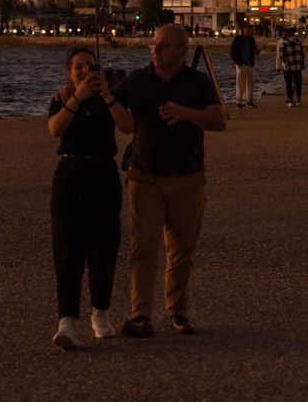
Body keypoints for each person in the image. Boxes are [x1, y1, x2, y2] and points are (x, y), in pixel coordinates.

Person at [113, 24, 226, 338]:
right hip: (144, 176)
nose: (156, 50)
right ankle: (140, 316)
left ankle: (177, 311)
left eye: (164, 46)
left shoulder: (197, 82)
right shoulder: (137, 80)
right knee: (144, 248)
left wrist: (187, 113)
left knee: (180, 252)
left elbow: (218, 121)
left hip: (188, 177)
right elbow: (113, 106)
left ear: (183, 50)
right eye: (154, 44)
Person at [47, 47, 136, 349]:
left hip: (102, 171)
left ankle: (100, 312)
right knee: (68, 247)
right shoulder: (62, 99)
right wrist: (76, 97)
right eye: (79, 68)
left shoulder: (108, 98)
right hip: (70, 172)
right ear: (69, 74)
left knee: (104, 245)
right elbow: (54, 129)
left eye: (90, 67)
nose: (85, 72)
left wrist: (107, 95)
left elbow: (127, 126)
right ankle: (67, 320)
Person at [229, 24, 259, 108]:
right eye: (249, 31)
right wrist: (237, 62)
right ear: (244, 30)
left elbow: (253, 50)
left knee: (251, 82)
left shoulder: (251, 39)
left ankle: (249, 100)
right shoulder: (237, 39)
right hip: (241, 63)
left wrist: (256, 52)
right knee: (240, 83)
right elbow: (232, 52)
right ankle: (238, 102)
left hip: (250, 63)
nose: (250, 32)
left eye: (251, 31)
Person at [276, 27, 305, 107]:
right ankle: (298, 100)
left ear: (288, 34)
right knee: (298, 83)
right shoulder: (299, 42)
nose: (283, 35)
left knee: (288, 84)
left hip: (288, 67)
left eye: (285, 33)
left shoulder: (283, 43)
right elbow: (303, 55)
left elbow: (280, 56)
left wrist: (285, 63)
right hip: (298, 67)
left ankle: (290, 100)